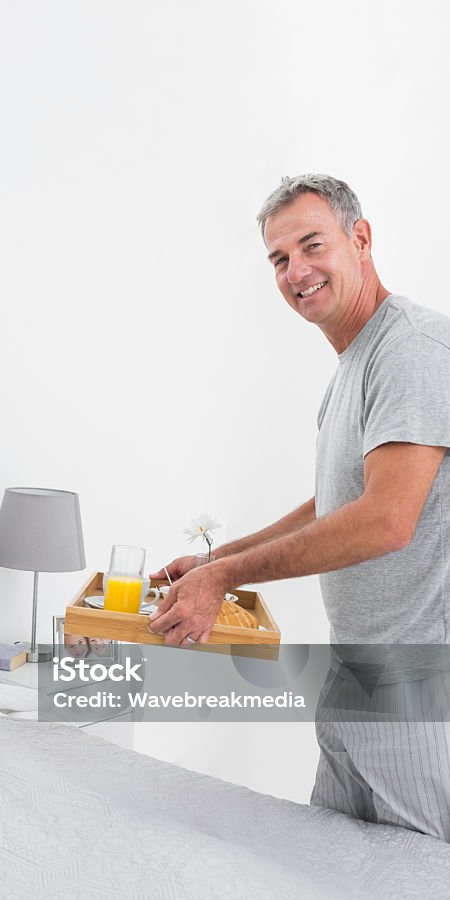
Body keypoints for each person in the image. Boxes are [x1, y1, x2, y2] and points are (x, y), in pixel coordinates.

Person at [149, 173, 450, 839]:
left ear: (361, 239)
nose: (296, 272)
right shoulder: (353, 366)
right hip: (356, 674)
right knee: (334, 883)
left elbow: (386, 519)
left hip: (415, 685)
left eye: (312, 246)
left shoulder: (414, 352)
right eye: (280, 259)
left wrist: (224, 578)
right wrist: (214, 558)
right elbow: (336, 501)